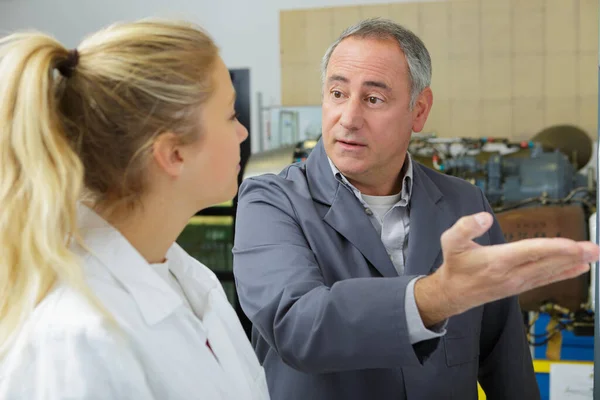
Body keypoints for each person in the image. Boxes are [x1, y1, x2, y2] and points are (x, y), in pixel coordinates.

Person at [232, 18, 599, 400]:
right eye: (337, 93)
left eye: (373, 99)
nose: (349, 118)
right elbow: (298, 326)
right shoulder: (271, 202)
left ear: (419, 111)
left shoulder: (465, 205)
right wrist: (435, 297)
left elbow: (505, 361)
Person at [0, 19, 269, 400]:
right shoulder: (76, 342)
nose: (242, 133)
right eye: (230, 115)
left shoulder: (187, 279)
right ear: (173, 154)